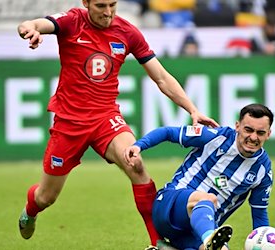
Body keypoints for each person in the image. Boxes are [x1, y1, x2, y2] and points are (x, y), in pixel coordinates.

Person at [16, 0, 219, 249]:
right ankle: (30, 210)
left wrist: (193, 109)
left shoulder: (127, 32)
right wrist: (30, 29)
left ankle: (158, 243)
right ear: (86, 3)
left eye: (113, 4)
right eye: (101, 5)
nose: (108, 12)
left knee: (135, 163)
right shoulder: (72, 21)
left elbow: (161, 77)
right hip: (69, 123)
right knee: (46, 197)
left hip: (105, 118)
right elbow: (35, 23)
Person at [125, 103, 275, 250]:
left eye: (260, 133)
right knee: (208, 199)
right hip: (169, 206)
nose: (253, 137)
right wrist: (139, 146)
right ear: (237, 126)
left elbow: (259, 214)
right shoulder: (215, 136)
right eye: (248, 130)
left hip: (193, 233)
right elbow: (168, 133)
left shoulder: (263, 171)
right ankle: (209, 238)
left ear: (268, 134)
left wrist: (264, 244)